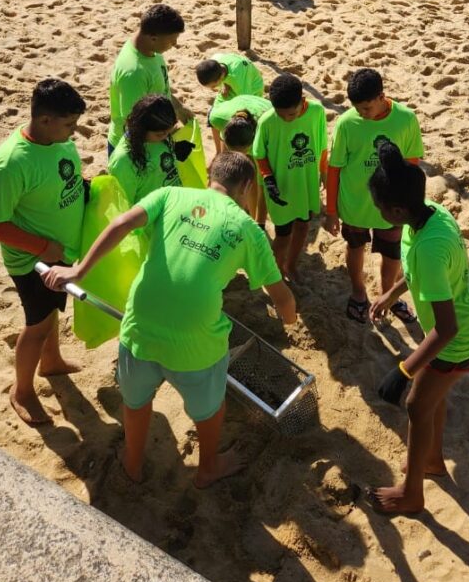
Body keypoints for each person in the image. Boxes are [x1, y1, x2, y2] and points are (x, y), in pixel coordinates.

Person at [42, 152, 297, 486]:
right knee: (209, 410)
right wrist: (290, 319)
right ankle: (208, 467)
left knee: (135, 402)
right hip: (196, 342)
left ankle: (132, 463)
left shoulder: (170, 194)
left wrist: (79, 269)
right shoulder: (249, 230)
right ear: (247, 187)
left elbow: (120, 225)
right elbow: (281, 297)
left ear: (210, 175)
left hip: (140, 326)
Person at [367, 142, 469, 515]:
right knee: (431, 398)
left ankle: (411, 495)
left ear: (396, 210)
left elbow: (447, 328)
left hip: (462, 336)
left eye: (379, 208)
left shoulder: (429, 247)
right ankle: (433, 461)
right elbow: (417, 268)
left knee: (416, 404)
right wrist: (392, 293)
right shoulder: (432, 213)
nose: (377, 212)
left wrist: (403, 370)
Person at [0, 79, 87, 426]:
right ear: (43, 120)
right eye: (69, 124)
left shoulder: (58, 140)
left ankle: (51, 361)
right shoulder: (11, 164)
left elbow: (63, 182)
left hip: (60, 249)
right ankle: (22, 391)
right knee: (36, 324)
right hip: (33, 261)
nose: (74, 131)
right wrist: (43, 247)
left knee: (53, 311)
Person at [325, 67, 423, 323]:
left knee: (392, 254)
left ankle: (388, 295)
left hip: (393, 207)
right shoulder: (347, 123)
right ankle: (358, 292)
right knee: (355, 246)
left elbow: (412, 164)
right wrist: (331, 211)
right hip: (355, 204)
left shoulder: (407, 119)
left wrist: (410, 205)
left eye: (366, 108)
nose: (362, 114)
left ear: (382, 96)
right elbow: (334, 168)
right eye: (358, 109)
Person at [253, 74, 328, 282]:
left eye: (292, 114)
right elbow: (259, 154)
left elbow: (322, 146)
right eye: (281, 114)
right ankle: (274, 272)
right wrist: (268, 178)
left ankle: (291, 264)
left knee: (303, 226)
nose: (287, 118)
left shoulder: (316, 112)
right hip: (281, 186)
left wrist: (323, 172)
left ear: (302, 100)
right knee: (283, 234)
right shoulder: (267, 121)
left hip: (306, 183)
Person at [107, 4, 191, 157]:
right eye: (172, 40)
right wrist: (170, 139)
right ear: (153, 37)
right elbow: (134, 124)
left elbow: (160, 89)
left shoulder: (151, 50)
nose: (175, 44)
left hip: (154, 140)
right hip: (133, 150)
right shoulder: (134, 73)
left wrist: (177, 107)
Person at [108, 95, 183, 205]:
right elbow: (123, 206)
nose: (166, 136)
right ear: (141, 128)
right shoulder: (123, 162)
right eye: (160, 134)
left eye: (168, 131)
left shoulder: (162, 138)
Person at [197, 53, 264, 149]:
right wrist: (225, 84)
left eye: (213, 86)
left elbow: (246, 104)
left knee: (231, 123)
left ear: (220, 78)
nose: (213, 89)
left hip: (252, 90)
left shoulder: (239, 80)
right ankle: (218, 151)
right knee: (213, 114)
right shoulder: (216, 60)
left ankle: (227, 150)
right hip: (229, 84)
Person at [221, 110, 267, 225]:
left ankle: (252, 217)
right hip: (231, 117)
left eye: (242, 151)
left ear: (251, 144)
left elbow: (260, 179)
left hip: (260, 112)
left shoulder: (261, 135)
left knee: (252, 177)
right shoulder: (223, 126)